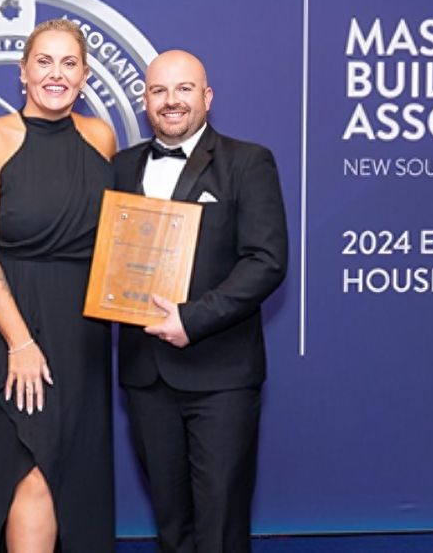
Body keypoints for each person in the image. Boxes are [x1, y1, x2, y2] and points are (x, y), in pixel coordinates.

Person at [113, 49, 288, 552]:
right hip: (146, 376)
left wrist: (193, 319)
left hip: (221, 377)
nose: (171, 102)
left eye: (184, 90)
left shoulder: (248, 162)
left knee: (220, 528)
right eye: (159, 91)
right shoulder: (120, 168)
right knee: (173, 528)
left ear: (207, 97)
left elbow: (266, 260)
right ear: (145, 100)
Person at [0, 19, 116, 553]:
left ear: (85, 75)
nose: (56, 74)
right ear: (22, 72)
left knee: (73, 467)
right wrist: (20, 344)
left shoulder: (100, 138)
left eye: (69, 63)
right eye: (44, 62)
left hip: (84, 330)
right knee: (32, 466)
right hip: (16, 324)